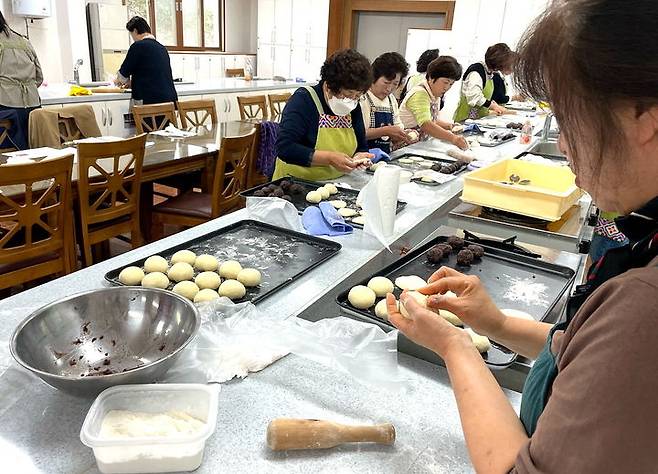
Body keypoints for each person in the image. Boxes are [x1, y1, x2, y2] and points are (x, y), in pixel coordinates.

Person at [387, 1, 658, 472]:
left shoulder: (645, 306)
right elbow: (586, 350)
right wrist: (495, 323)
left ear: (646, 121)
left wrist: (454, 345)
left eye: (571, 122)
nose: (567, 147)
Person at [274, 49, 373, 181]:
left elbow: (361, 144)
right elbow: (285, 148)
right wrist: (329, 158)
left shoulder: (354, 105)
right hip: (295, 182)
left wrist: (359, 157)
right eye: (348, 94)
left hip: (337, 182)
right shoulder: (304, 100)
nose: (352, 100)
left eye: (358, 96)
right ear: (328, 86)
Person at [399, 56, 468, 150]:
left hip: (418, 145)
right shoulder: (420, 94)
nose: (447, 87)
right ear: (432, 77)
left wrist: (449, 126)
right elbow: (426, 124)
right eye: (445, 82)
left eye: (451, 84)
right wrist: (453, 138)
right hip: (404, 145)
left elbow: (432, 120)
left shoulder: (435, 94)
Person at [0, 9, 42, 149]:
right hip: (33, 105)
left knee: (13, 153)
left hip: (6, 105)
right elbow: (39, 77)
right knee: (34, 151)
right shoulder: (24, 40)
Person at [115, 16, 177, 106]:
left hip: (149, 102)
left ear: (135, 31)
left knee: (143, 120)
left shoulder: (137, 46)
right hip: (170, 101)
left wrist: (118, 80)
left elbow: (122, 75)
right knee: (163, 121)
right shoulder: (162, 48)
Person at [360, 52, 411, 155]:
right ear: (374, 77)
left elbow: (397, 126)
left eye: (395, 84)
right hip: (363, 157)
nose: (389, 88)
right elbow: (357, 133)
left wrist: (401, 136)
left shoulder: (391, 100)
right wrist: (385, 131)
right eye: (386, 82)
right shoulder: (362, 97)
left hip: (386, 156)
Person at [453, 43, 516, 122]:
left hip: (479, 118)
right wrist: (492, 106)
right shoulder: (477, 71)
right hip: (466, 118)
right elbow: (474, 97)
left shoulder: (489, 73)